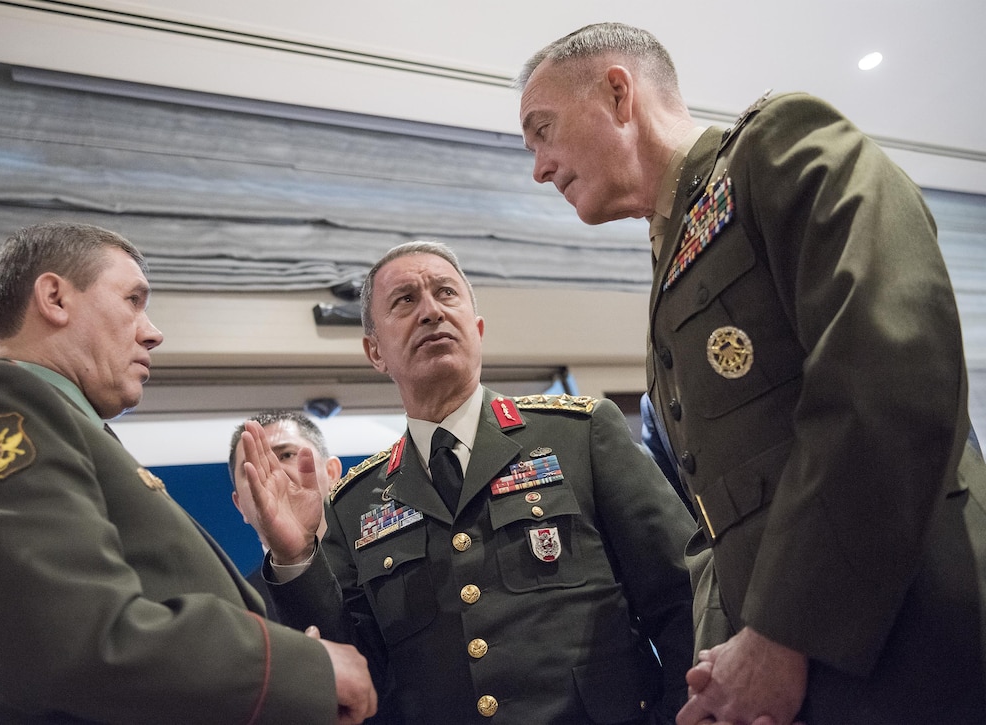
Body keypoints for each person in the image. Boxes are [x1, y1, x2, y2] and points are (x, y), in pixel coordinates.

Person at [517, 22, 986, 725]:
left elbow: (890, 370)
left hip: (911, 649)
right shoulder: (672, 260)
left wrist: (781, 634)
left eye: (542, 131)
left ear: (618, 93)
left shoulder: (776, 145)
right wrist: (725, 666)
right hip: (805, 677)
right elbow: (715, 521)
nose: (538, 167)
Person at [0, 222, 376, 724]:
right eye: (133, 300)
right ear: (55, 297)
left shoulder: (69, 429)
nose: (153, 331)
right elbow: (71, 643)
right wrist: (303, 670)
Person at [238, 240, 697, 723]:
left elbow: (684, 594)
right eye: (405, 301)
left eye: (446, 293)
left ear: (477, 330)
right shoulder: (354, 505)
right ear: (375, 352)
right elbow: (353, 674)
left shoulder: (579, 435)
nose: (431, 311)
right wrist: (295, 556)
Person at [228, 410, 343, 618]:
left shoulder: (380, 570)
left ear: (332, 473)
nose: (273, 474)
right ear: (240, 506)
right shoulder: (236, 613)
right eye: (252, 466)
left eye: (287, 455)